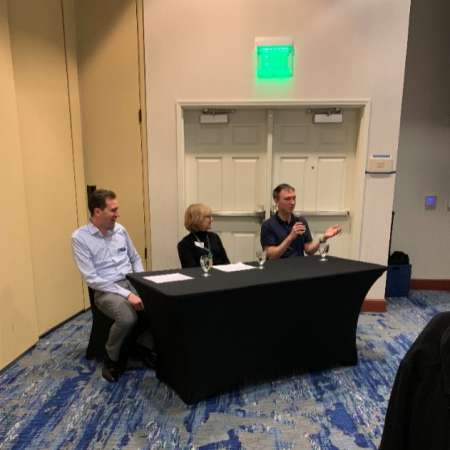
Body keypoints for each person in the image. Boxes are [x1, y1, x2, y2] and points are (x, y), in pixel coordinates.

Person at [72, 189, 156, 382]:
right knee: (127, 318)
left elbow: (134, 258)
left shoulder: (120, 230)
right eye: (113, 210)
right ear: (97, 211)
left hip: (130, 281)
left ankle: (142, 349)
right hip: (106, 289)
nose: (117, 214)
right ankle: (113, 359)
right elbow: (92, 279)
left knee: (156, 306)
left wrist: (139, 281)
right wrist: (127, 295)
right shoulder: (80, 238)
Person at [261, 183, 341, 259]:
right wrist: (290, 238)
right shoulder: (268, 225)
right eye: (287, 199)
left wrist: (324, 237)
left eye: (294, 198)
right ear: (276, 201)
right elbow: (272, 256)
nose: (292, 202)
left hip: (300, 266)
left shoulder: (300, 221)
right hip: (279, 268)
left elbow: (309, 250)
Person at [177, 203, 230, 268]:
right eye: (208, 217)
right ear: (196, 219)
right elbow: (191, 271)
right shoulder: (185, 244)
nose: (212, 219)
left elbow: (226, 263)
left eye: (211, 216)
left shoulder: (214, 237)